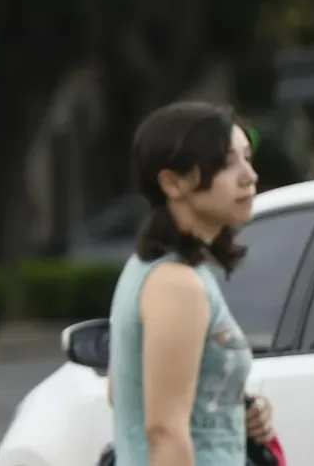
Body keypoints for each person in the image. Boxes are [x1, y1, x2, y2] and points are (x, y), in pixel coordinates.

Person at [108, 102, 275, 466]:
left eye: (247, 158)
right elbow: (165, 431)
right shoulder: (175, 284)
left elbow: (121, 391)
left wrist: (237, 413)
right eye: (227, 163)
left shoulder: (157, 269)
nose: (249, 176)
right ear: (172, 182)